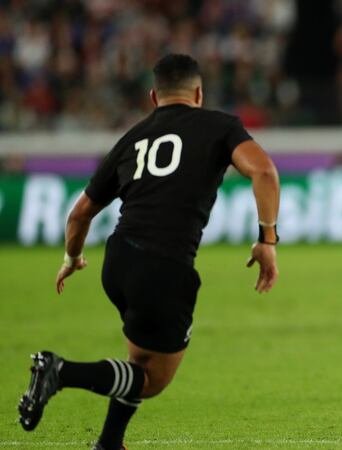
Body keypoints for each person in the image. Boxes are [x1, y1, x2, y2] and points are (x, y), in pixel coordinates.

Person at [17, 54, 281, 449]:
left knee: (140, 359)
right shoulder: (220, 126)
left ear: (154, 97)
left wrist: (71, 259)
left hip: (119, 261)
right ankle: (60, 371)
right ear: (199, 93)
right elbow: (263, 171)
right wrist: (267, 240)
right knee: (152, 379)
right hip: (164, 268)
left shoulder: (133, 137)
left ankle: (109, 443)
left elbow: (79, 214)